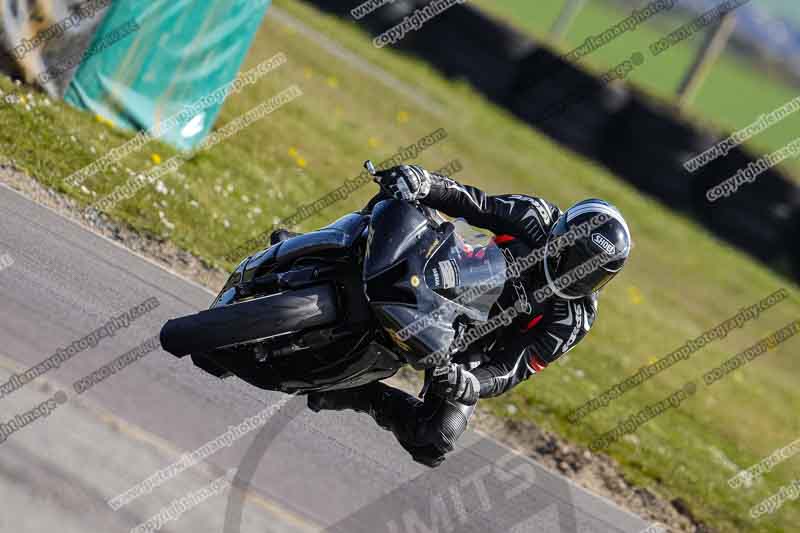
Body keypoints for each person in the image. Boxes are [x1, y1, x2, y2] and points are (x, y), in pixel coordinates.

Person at [304, 164, 632, 467]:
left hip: (468, 343)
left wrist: (474, 382)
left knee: (434, 439)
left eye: (591, 274)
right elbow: (475, 204)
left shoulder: (575, 318)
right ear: (560, 236)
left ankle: (354, 394)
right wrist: (426, 183)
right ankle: (322, 249)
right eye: (573, 258)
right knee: (398, 194)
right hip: (450, 268)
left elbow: (516, 366)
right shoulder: (535, 217)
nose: (576, 275)